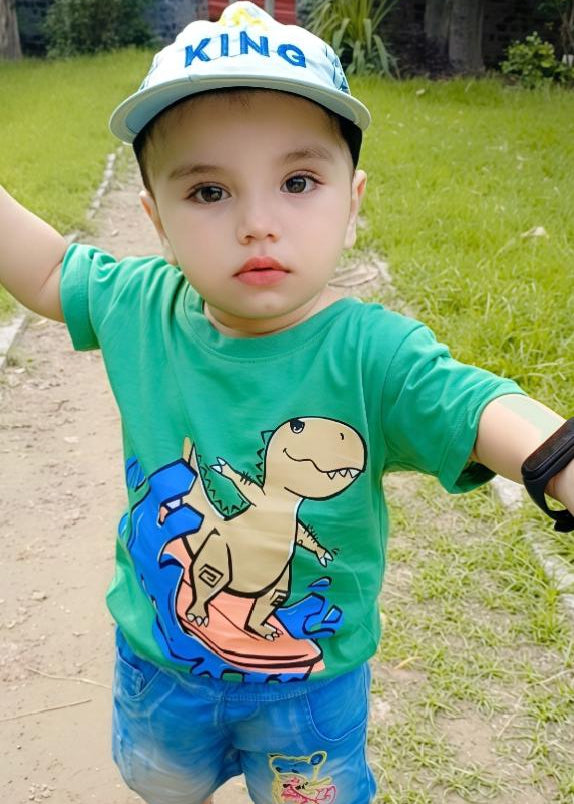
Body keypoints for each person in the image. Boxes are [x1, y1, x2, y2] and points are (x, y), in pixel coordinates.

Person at [1, 2, 573, 802]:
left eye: (298, 182)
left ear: (352, 201)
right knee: (159, 782)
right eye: (209, 191)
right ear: (155, 218)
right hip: (161, 662)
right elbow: (45, 271)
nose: (257, 224)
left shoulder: (373, 354)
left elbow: (475, 408)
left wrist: (559, 461)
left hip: (311, 690)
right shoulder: (138, 306)